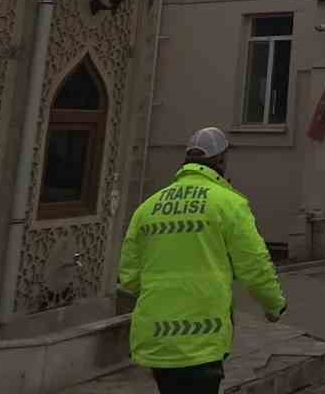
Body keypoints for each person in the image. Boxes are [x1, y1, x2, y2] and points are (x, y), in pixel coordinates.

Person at [118, 127, 288, 393]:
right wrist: (273, 305)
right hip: (202, 336)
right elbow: (254, 264)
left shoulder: (148, 207)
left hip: (156, 336)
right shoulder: (229, 204)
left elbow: (128, 278)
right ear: (221, 161)